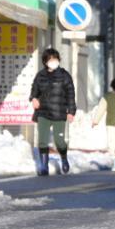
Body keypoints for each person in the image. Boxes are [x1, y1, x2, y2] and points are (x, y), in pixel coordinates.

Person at [29, 48, 76, 176]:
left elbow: (71, 94)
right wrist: (33, 99)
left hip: (59, 113)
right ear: (45, 61)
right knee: (42, 140)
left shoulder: (65, 76)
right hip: (43, 112)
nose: (53, 61)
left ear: (58, 60)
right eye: (50, 59)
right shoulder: (40, 75)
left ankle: (64, 158)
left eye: (55, 59)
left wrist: (71, 111)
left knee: (59, 141)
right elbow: (34, 90)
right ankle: (44, 166)